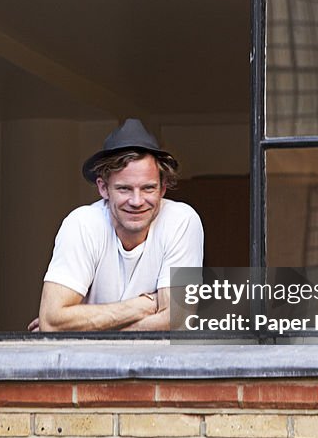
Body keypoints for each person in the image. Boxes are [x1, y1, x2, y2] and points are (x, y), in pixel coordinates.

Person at [30, 119, 204, 331]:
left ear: (163, 188)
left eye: (148, 188)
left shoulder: (181, 221)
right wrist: (144, 304)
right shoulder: (82, 224)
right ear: (103, 188)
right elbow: (52, 320)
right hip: (85, 365)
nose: (137, 201)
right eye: (124, 189)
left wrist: (82, 330)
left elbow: (177, 322)